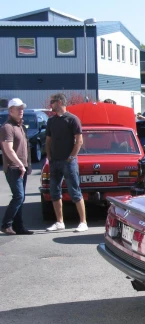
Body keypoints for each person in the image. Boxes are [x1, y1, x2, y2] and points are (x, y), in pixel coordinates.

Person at [45, 93, 87, 232]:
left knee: (75, 191)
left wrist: (71, 157)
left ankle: (83, 222)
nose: (50, 104)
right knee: (54, 191)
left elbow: (79, 140)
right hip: (54, 161)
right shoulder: (51, 121)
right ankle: (59, 222)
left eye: (52, 102)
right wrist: (49, 157)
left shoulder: (73, 119)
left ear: (59, 102)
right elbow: (48, 141)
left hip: (68, 162)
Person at [1, 98, 34, 235]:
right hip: (14, 168)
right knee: (18, 196)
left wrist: (27, 165)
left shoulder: (20, 126)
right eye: (18, 108)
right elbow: (8, 149)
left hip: (23, 167)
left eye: (22, 108)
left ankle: (18, 227)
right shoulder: (7, 127)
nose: (21, 111)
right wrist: (20, 165)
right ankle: (6, 224)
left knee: (21, 197)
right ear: (10, 110)